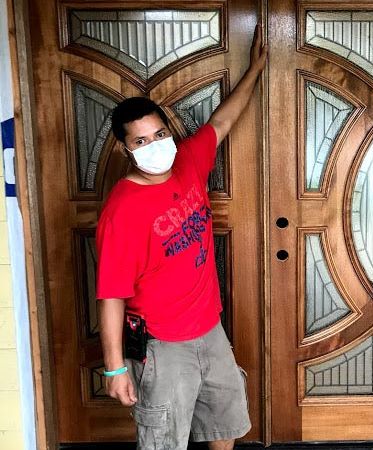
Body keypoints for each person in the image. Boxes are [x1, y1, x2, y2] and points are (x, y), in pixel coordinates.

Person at [95, 24, 267, 450]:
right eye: (141, 141)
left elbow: (223, 120)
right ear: (126, 149)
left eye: (160, 134)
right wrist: (115, 368)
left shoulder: (188, 160)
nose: (155, 145)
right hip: (162, 347)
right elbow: (111, 295)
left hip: (210, 329)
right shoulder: (122, 211)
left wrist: (255, 69)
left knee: (224, 425)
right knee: (163, 442)